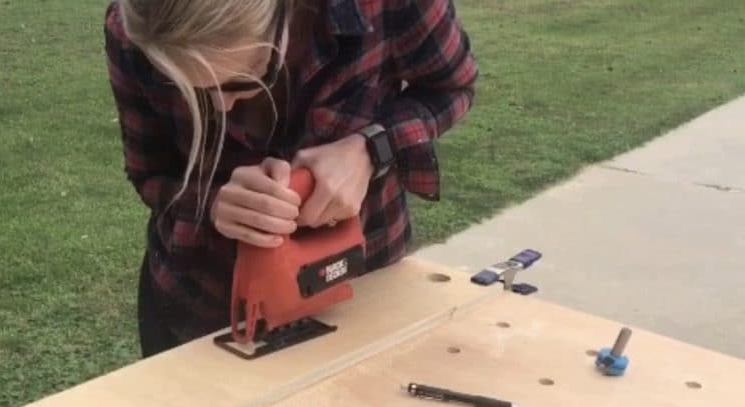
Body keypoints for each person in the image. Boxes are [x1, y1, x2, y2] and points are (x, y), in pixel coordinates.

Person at [104, 0, 478, 358]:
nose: (220, 106)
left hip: (359, 293)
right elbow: (150, 170)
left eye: (242, 80)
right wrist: (213, 203)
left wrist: (371, 149)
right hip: (200, 302)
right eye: (182, 85)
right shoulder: (135, 26)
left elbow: (451, 88)